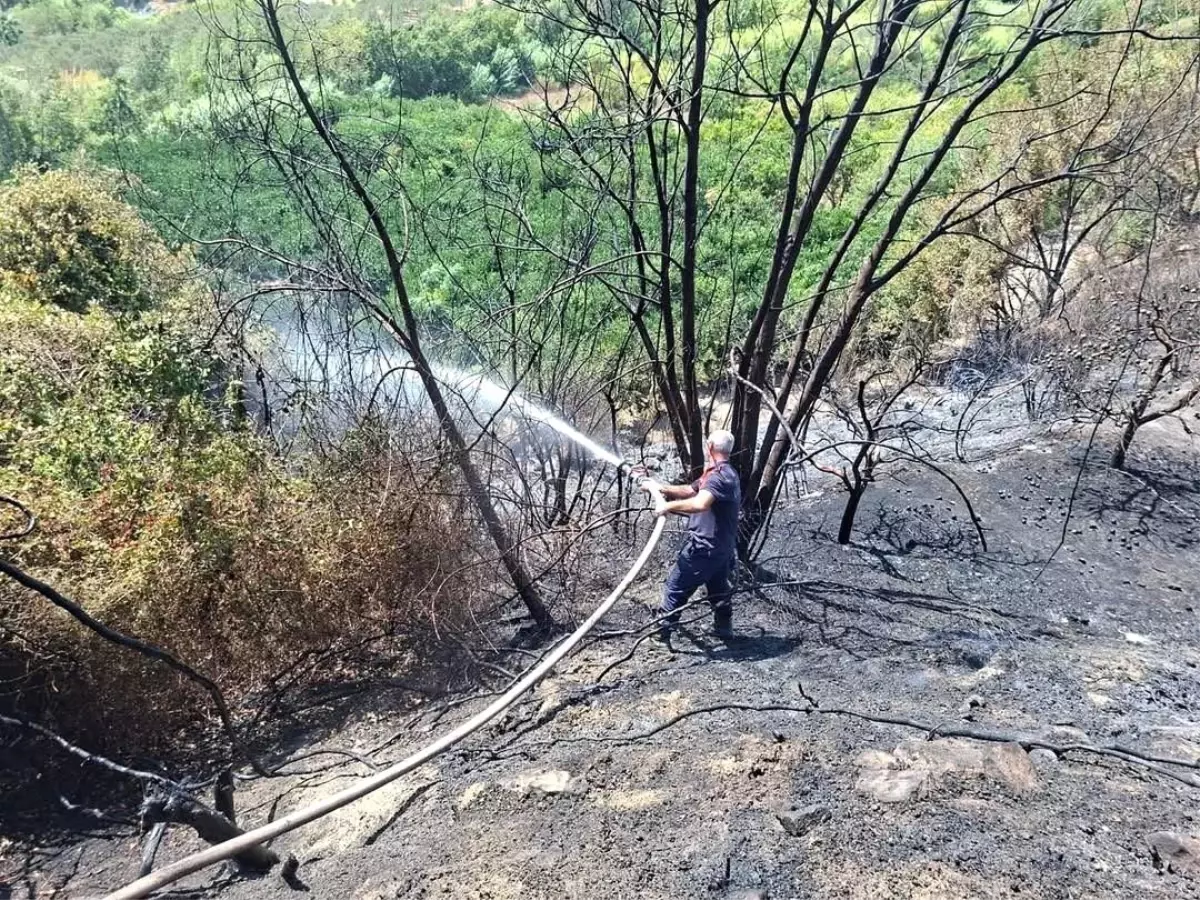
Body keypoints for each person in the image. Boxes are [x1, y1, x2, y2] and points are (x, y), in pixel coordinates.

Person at [637, 429, 741, 644]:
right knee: (718, 589)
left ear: (710, 447)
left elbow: (699, 503)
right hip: (721, 547)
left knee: (676, 587)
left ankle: (661, 634)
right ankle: (724, 629)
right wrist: (658, 487)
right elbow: (691, 490)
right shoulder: (722, 473)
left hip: (704, 547)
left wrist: (667, 506)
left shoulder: (719, 477)